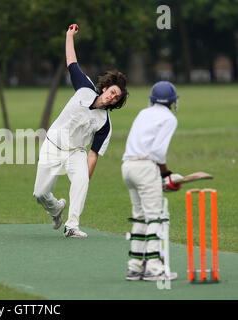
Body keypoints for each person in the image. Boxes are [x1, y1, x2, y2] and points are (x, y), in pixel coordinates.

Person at [33, 24, 129, 238]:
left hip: (76, 152)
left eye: (116, 98)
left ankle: (72, 226)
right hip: (53, 145)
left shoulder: (105, 124)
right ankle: (56, 208)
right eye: (112, 92)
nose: (112, 97)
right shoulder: (84, 88)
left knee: (81, 180)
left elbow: (93, 154)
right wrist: (69, 35)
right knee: (39, 194)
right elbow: (71, 62)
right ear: (105, 88)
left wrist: (85, 177)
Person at [122, 81, 182, 281]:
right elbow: (158, 152)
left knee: (140, 217)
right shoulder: (169, 118)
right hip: (146, 168)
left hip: (127, 166)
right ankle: (154, 269)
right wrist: (165, 174)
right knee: (155, 217)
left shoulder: (143, 113)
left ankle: (135, 267)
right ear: (173, 101)